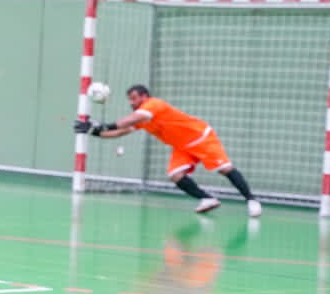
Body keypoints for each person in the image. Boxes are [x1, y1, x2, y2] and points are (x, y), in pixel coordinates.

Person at [75, 84, 263, 217]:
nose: (131, 102)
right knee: (175, 175)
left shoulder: (153, 105)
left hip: (201, 137)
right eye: (129, 100)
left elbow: (130, 119)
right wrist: (93, 131)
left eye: (134, 98)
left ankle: (251, 200)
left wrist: (104, 125)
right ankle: (207, 199)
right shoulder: (142, 118)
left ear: (144, 96)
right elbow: (120, 131)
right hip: (182, 146)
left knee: (225, 169)